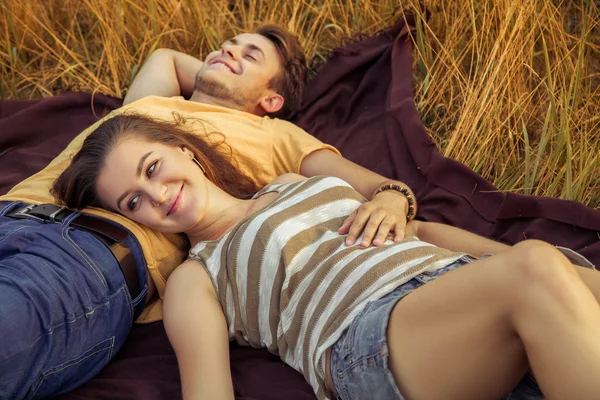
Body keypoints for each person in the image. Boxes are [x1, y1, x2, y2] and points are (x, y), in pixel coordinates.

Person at [53, 113, 600, 400]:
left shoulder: (297, 179)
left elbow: (421, 225)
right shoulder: (198, 277)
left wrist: (393, 196)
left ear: (182, 150)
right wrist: (534, 267)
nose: (157, 195)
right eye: (134, 202)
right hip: (367, 338)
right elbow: (208, 391)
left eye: (151, 169)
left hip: (455, 286)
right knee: (538, 268)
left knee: (560, 269)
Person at [0, 24, 419, 398]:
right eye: (225, 45)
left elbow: (376, 187)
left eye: (249, 55)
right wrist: (223, 68)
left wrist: (393, 198)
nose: (227, 52)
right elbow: (164, 57)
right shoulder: (147, 112)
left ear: (272, 99)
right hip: (9, 210)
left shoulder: (273, 135)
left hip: (79, 249)